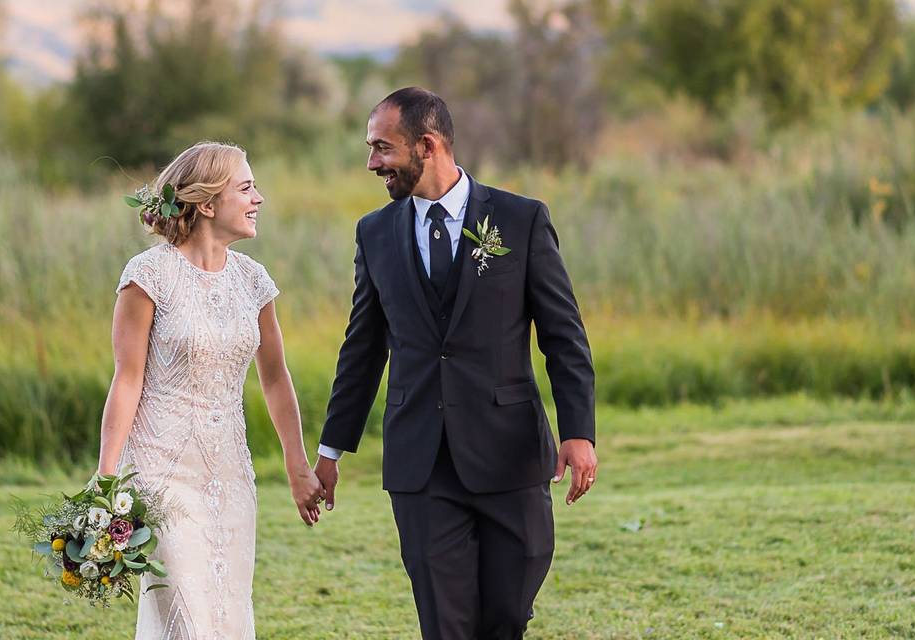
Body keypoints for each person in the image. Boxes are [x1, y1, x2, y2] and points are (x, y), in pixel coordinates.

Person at [315, 88, 598, 639]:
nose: (371, 163)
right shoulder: (374, 232)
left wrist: (579, 433)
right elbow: (362, 348)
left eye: (382, 148)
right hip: (421, 463)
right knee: (446, 625)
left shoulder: (520, 220)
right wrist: (331, 448)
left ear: (428, 144)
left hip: (509, 453)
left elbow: (564, 337)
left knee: (507, 616)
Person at [96, 141, 324, 639]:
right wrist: (107, 477)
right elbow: (127, 378)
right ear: (206, 204)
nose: (258, 198)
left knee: (226, 612)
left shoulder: (253, 281)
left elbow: (275, 377)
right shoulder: (148, 277)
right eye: (246, 188)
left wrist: (297, 465)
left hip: (229, 472)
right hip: (160, 470)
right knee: (187, 621)